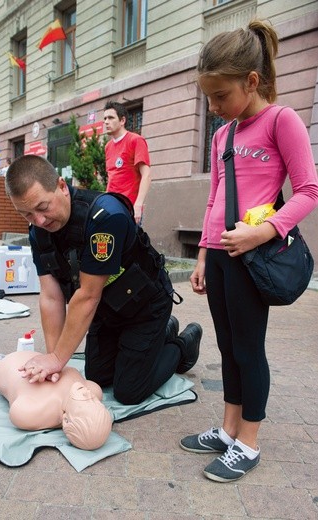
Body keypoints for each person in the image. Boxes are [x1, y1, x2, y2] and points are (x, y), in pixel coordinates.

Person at [179, 19, 318, 483]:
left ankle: (249, 442)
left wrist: (265, 232)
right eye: (209, 98)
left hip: (252, 256)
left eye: (221, 96)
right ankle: (227, 429)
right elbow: (214, 199)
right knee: (226, 345)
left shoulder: (281, 120)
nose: (215, 107)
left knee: (248, 348)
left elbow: (309, 191)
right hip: (218, 257)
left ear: (251, 81)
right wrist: (200, 255)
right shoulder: (223, 136)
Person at [5, 154, 202, 406]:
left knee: (128, 391)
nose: (39, 221)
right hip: (107, 311)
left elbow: (87, 295)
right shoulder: (39, 233)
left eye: (43, 208)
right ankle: (160, 336)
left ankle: (182, 344)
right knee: (99, 377)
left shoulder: (105, 218)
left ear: (62, 187)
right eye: (28, 215)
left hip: (145, 308)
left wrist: (57, 358)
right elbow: (51, 296)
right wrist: (55, 360)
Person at [0, 351, 112, 450]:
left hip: (7, 366)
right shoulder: (93, 391)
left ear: (65, 419)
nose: (88, 394)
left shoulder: (33, 412)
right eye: (95, 403)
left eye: (84, 404)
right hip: (39, 358)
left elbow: (17, 411)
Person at [103, 101, 151, 225]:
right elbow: (111, 178)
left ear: (122, 120)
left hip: (130, 209)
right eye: (105, 118)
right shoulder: (108, 147)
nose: (106, 122)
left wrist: (138, 205)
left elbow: (146, 175)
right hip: (112, 208)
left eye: (111, 117)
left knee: (132, 244)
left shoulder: (136, 140)